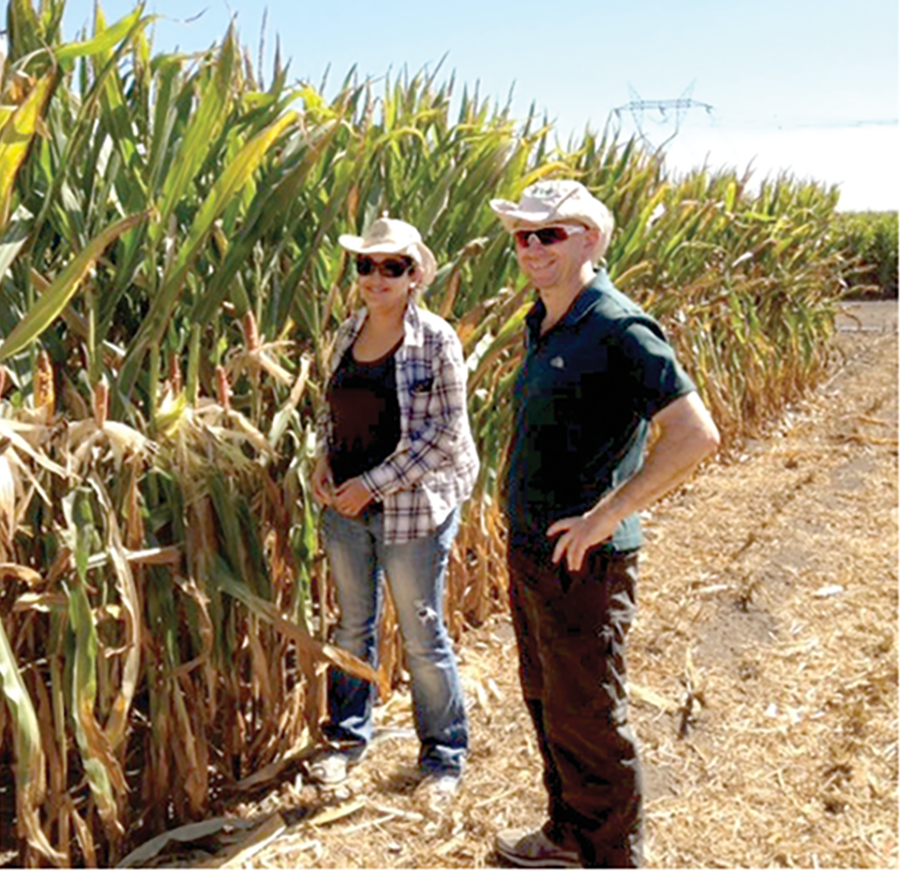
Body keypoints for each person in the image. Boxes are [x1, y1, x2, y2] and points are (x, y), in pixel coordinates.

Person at [489, 181, 721, 867]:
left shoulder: (619, 326)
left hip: (586, 563)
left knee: (589, 715)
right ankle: (567, 835)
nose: (532, 246)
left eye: (550, 233)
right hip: (532, 550)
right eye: (523, 235)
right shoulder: (546, 318)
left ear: (591, 239)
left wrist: (605, 514)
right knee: (546, 701)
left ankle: (614, 856)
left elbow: (694, 434)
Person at [308, 214, 479, 798]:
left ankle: (443, 757)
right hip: (346, 505)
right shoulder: (346, 332)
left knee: (421, 629)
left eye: (392, 267)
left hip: (414, 507)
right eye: (367, 265)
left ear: (415, 276)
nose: (377, 276)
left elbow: (446, 436)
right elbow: (329, 409)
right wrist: (322, 461)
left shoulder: (436, 341)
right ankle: (347, 739)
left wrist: (372, 485)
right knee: (351, 625)